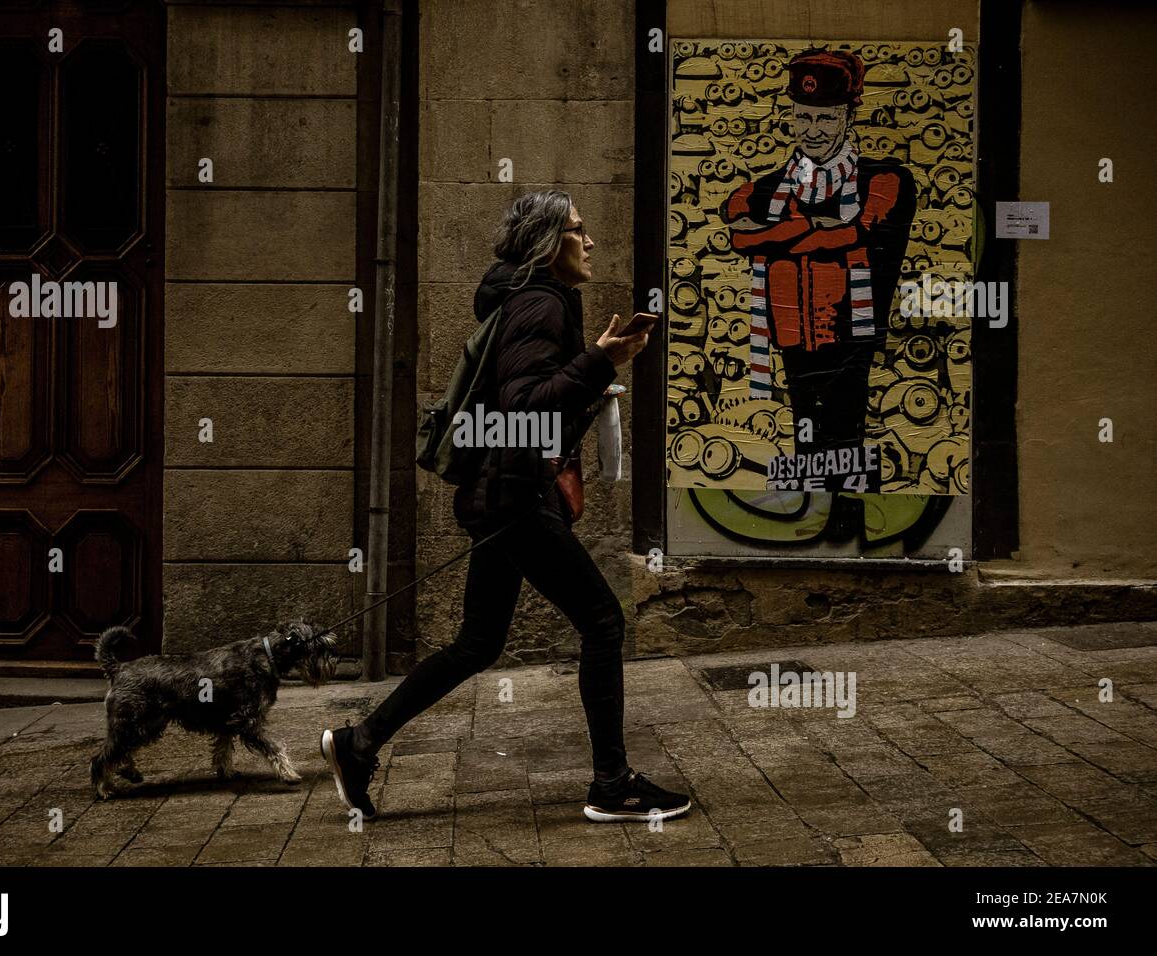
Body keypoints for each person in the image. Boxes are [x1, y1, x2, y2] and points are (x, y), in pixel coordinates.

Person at [321, 189, 692, 823]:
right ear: (551, 244)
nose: (591, 241)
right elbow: (524, 405)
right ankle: (611, 786)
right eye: (578, 230)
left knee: (477, 642)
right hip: (516, 499)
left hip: (505, 494)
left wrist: (599, 364)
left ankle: (358, 744)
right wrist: (599, 361)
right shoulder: (540, 303)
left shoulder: (530, 300)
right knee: (603, 622)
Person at [723, 48, 916, 487]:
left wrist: (781, 232)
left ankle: (847, 521)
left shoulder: (884, 179)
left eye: (826, 119)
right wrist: (812, 223)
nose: (812, 131)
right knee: (805, 434)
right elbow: (740, 234)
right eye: (803, 118)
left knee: (846, 436)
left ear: (849, 117)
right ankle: (812, 517)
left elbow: (851, 233)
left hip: (852, 337)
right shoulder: (769, 186)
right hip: (792, 337)